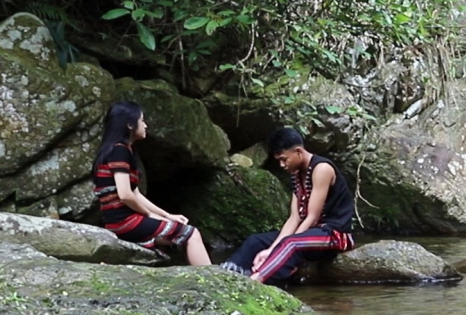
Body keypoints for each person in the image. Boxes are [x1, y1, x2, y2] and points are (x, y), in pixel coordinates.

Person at [221, 127, 355, 284]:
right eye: (279, 160)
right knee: (255, 241)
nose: (282, 165)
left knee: (290, 244)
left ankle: (254, 283)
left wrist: (279, 248)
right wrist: (271, 249)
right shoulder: (297, 175)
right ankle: (226, 278)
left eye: (284, 159)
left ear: (298, 152)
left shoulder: (322, 169)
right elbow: (294, 218)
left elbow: (312, 217)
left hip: (334, 234)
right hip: (309, 233)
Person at [91, 101, 211, 265]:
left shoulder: (119, 150)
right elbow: (125, 194)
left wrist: (166, 215)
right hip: (124, 222)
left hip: (119, 221)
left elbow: (135, 193)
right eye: (142, 120)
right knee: (191, 234)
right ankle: (213, 280)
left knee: (178, 233)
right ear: (129, 124)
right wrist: (148, 215)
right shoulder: (119, 150)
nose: (146, 125)